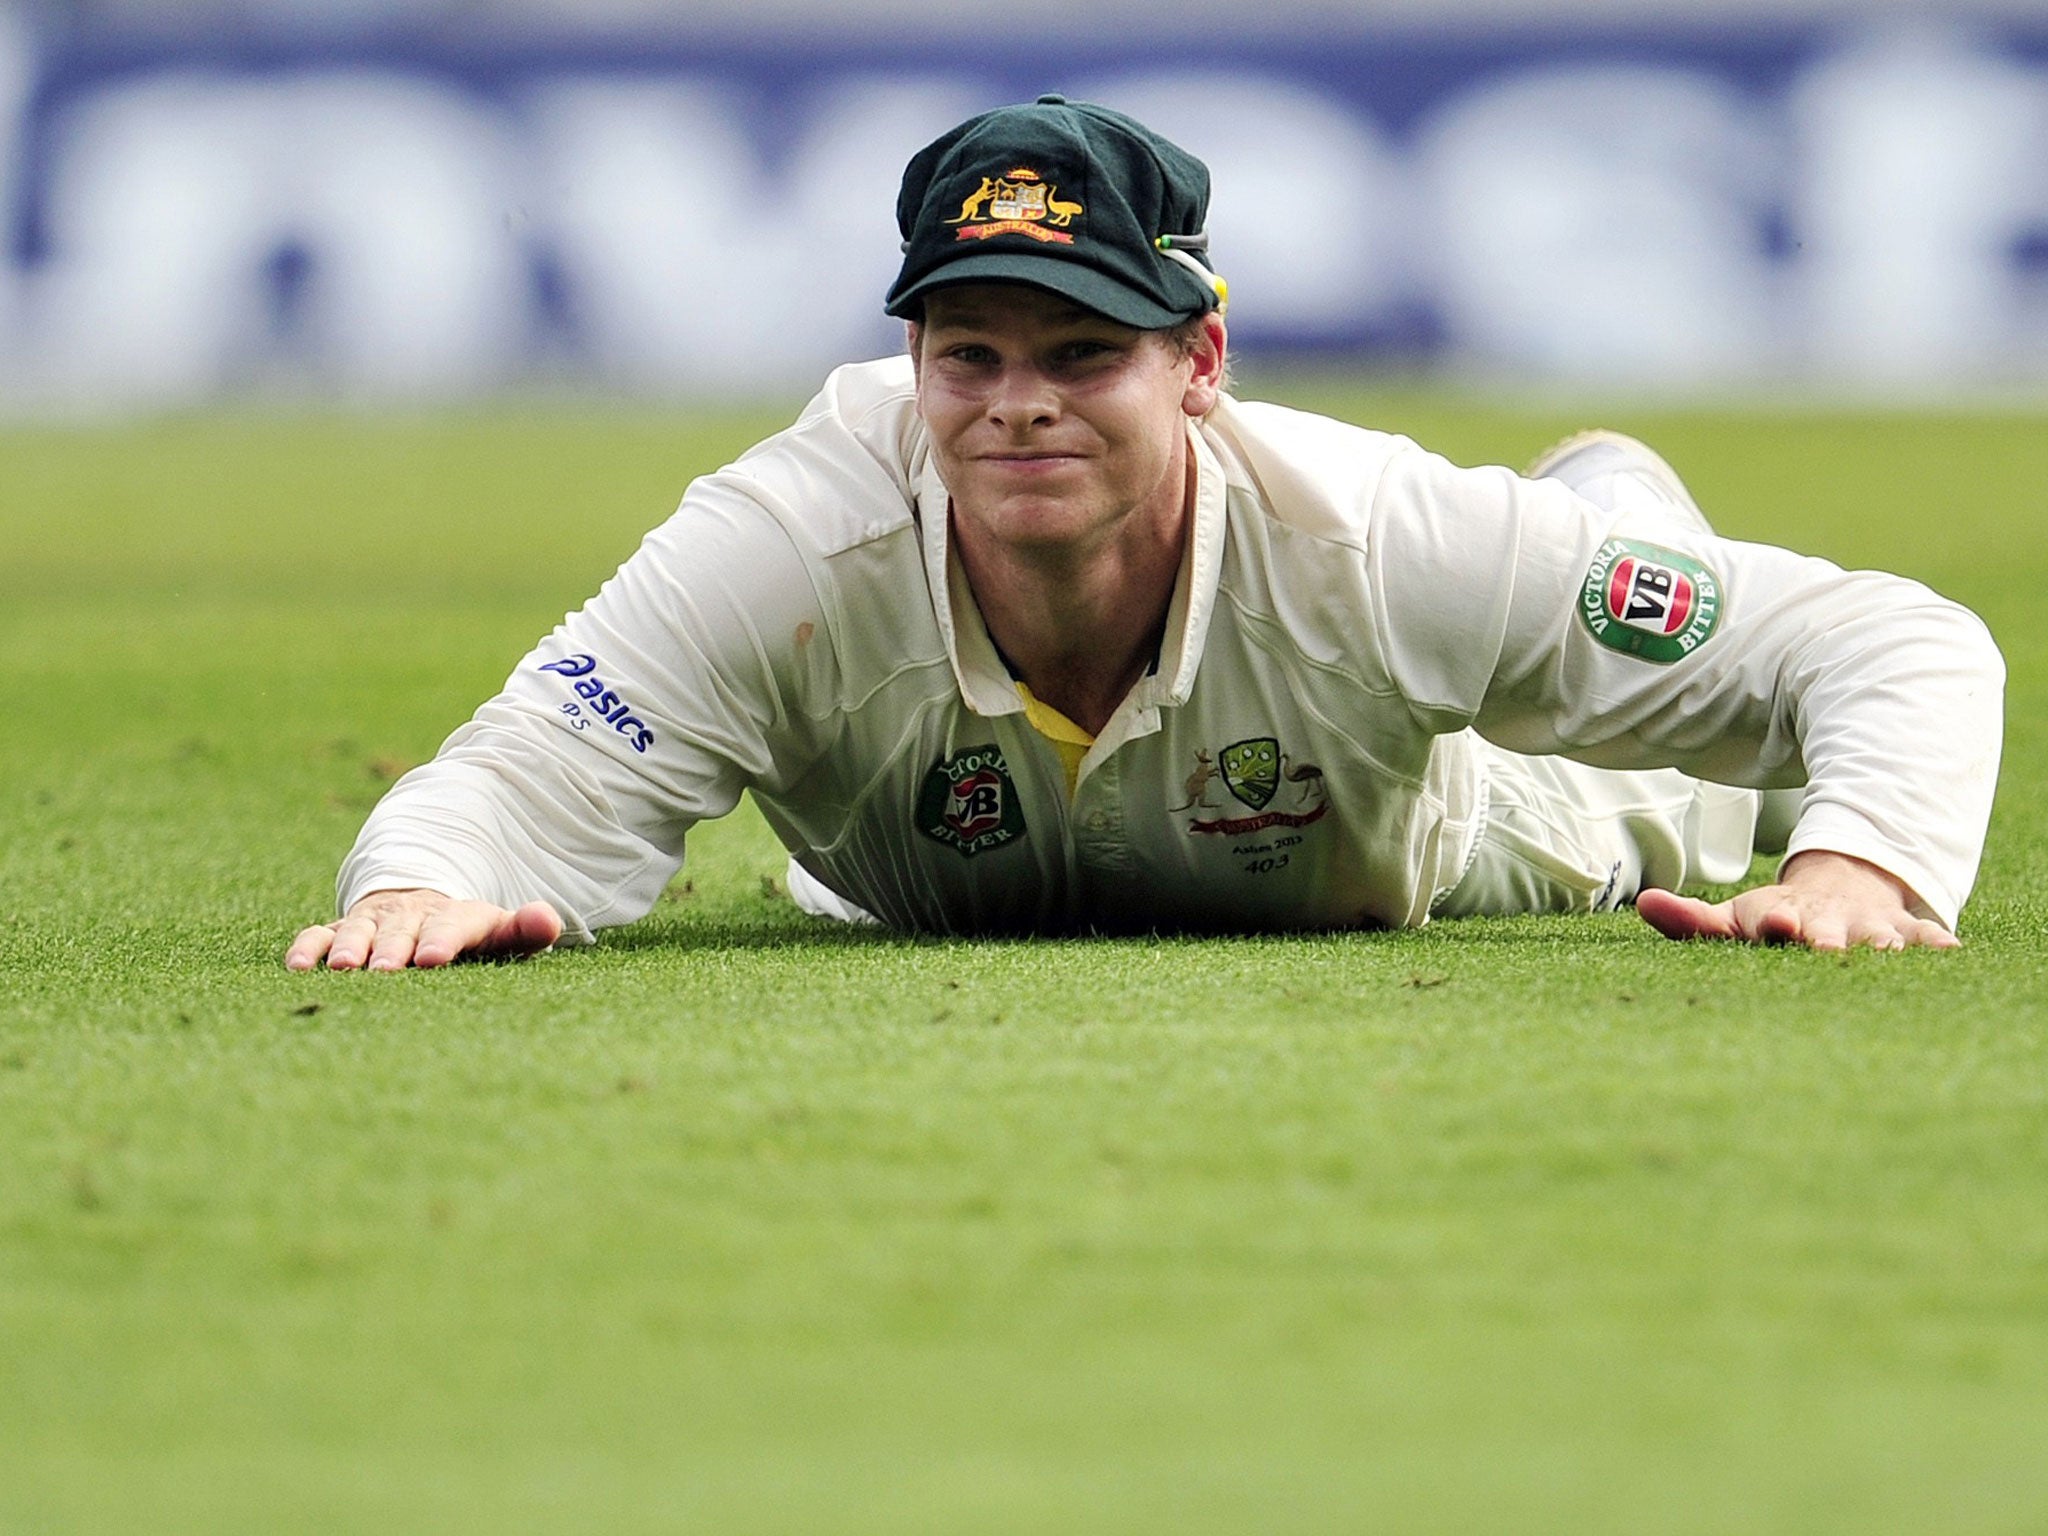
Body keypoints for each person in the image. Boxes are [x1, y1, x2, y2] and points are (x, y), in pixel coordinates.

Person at [286, 95, 2003, 972]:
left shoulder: (1373, 534)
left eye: (1083, 353)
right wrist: (426, 890)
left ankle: (1611, 517)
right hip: (952, 866)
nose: (1017, 405)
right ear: (912, 362)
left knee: (1698, 789)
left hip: (1492, 822)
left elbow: (1897, 642)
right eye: (971, 354)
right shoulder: (781, 545)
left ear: (1200, 363)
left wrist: (1856, 871)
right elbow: (524, 773)